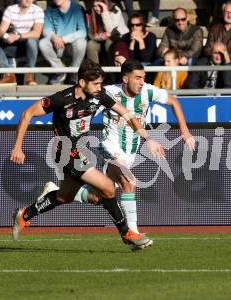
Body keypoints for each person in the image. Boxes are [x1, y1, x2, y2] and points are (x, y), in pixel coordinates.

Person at [10, 59, 165, 250]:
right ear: (82, 83)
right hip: (65, 151)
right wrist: (18, 147)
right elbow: (27, 114)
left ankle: (24, 214)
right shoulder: (61, 99)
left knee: (64, 197)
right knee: (108, 188)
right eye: (96, 83)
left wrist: (147, 137)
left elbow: (127, 114)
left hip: (80, 150)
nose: (100, 87)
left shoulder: (99, 96)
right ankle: (127, 234)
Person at [72, 58, 196, 234]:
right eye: (137, 78)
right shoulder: (109, 93)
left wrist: (185, 132)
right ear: (125, 79)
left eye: (143, 77)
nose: (141, 82)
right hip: (109, 147)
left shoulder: (148, 92)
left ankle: (69, 192)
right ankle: (133, 233)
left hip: (129, 154)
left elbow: (174, 102)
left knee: (104, 195)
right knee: (130, 182)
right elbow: (88, 112)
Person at [0, 0, 44, 86]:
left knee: (32, 41)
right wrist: (6, 36)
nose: (28, 0)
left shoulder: (38, 10)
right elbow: (0, 31)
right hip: (12, 45)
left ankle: (29, 74)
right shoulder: (11, 9)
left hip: (29, 47)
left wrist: (18, 36)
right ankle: (8, 74)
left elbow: (36, 33)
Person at [40, 0, 87, 85]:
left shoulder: (77, 8)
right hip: (57, 46)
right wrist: (54, 37)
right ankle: (60, 71)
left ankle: (74, 72)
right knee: (43, 43)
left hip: (72, 46)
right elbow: (46, 30)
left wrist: (63, 39)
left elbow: (83, 32)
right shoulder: (49, 10)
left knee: (81, 42)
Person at [86, 0, 128, 65]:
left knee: (109, 42)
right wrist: (101, 37)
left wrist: (105, 11)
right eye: (94, 6)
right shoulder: (93, 13)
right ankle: (94, 71)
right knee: (90, 45)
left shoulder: (116, 10)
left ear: (105, 4)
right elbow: (90, 34)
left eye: (99, 6)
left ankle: (112, 72)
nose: (96, 8)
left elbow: (111, 31)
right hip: (100, 40)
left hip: (117, 39)